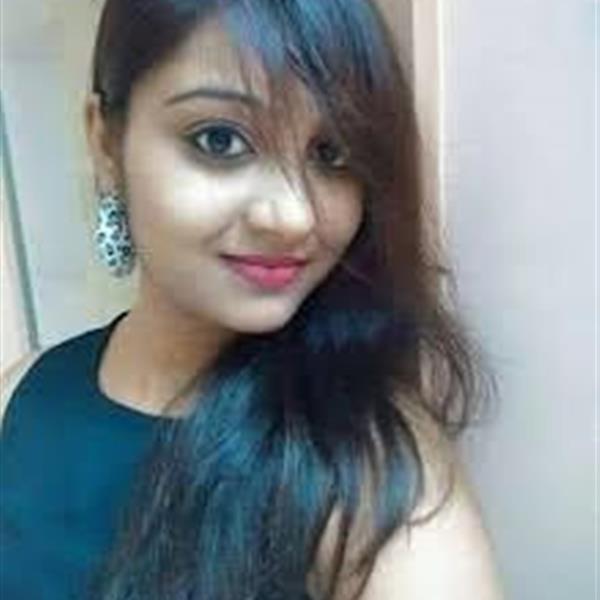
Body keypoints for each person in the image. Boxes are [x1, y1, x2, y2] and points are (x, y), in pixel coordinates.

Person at [0, 1, 504, 598]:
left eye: (332, 153)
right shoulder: (19, 395)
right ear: (107, 144)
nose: (293, 216)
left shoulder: (374, 475)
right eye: (220, 140)